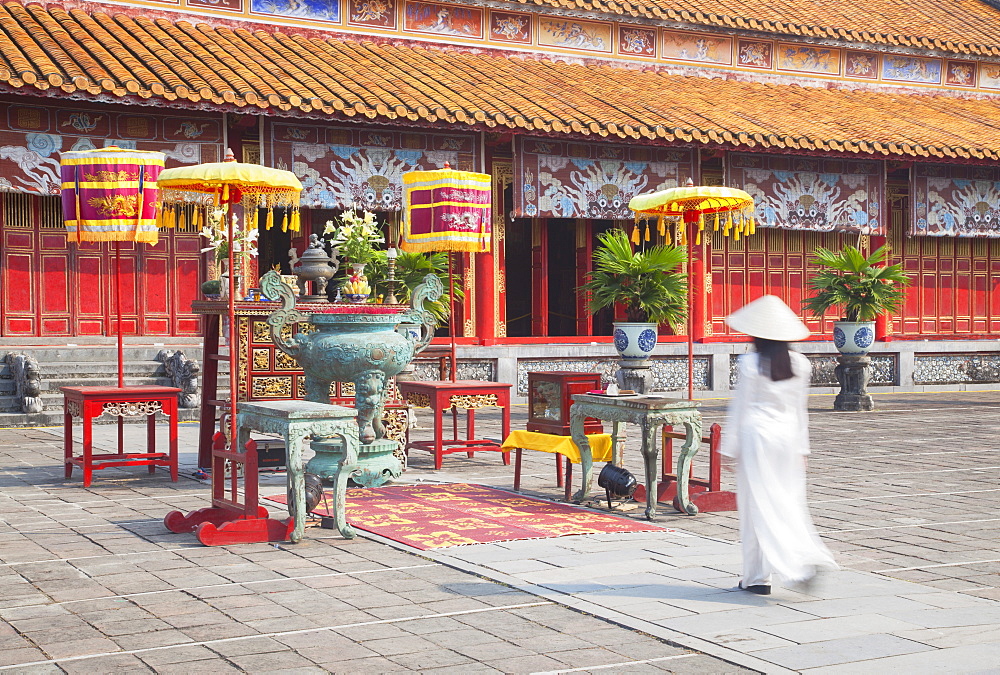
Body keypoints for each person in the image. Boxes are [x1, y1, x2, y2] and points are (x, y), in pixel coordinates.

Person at [720, 295, 837, 595]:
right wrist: (802, 449)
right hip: (787, 440)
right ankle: (803, 557)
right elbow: (800, 411)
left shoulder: (749, 364)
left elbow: (741, 407)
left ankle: (761, 577)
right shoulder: (801, 364)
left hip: (757, 438)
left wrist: (728, 448)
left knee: (754, 506)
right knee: (787, 502)